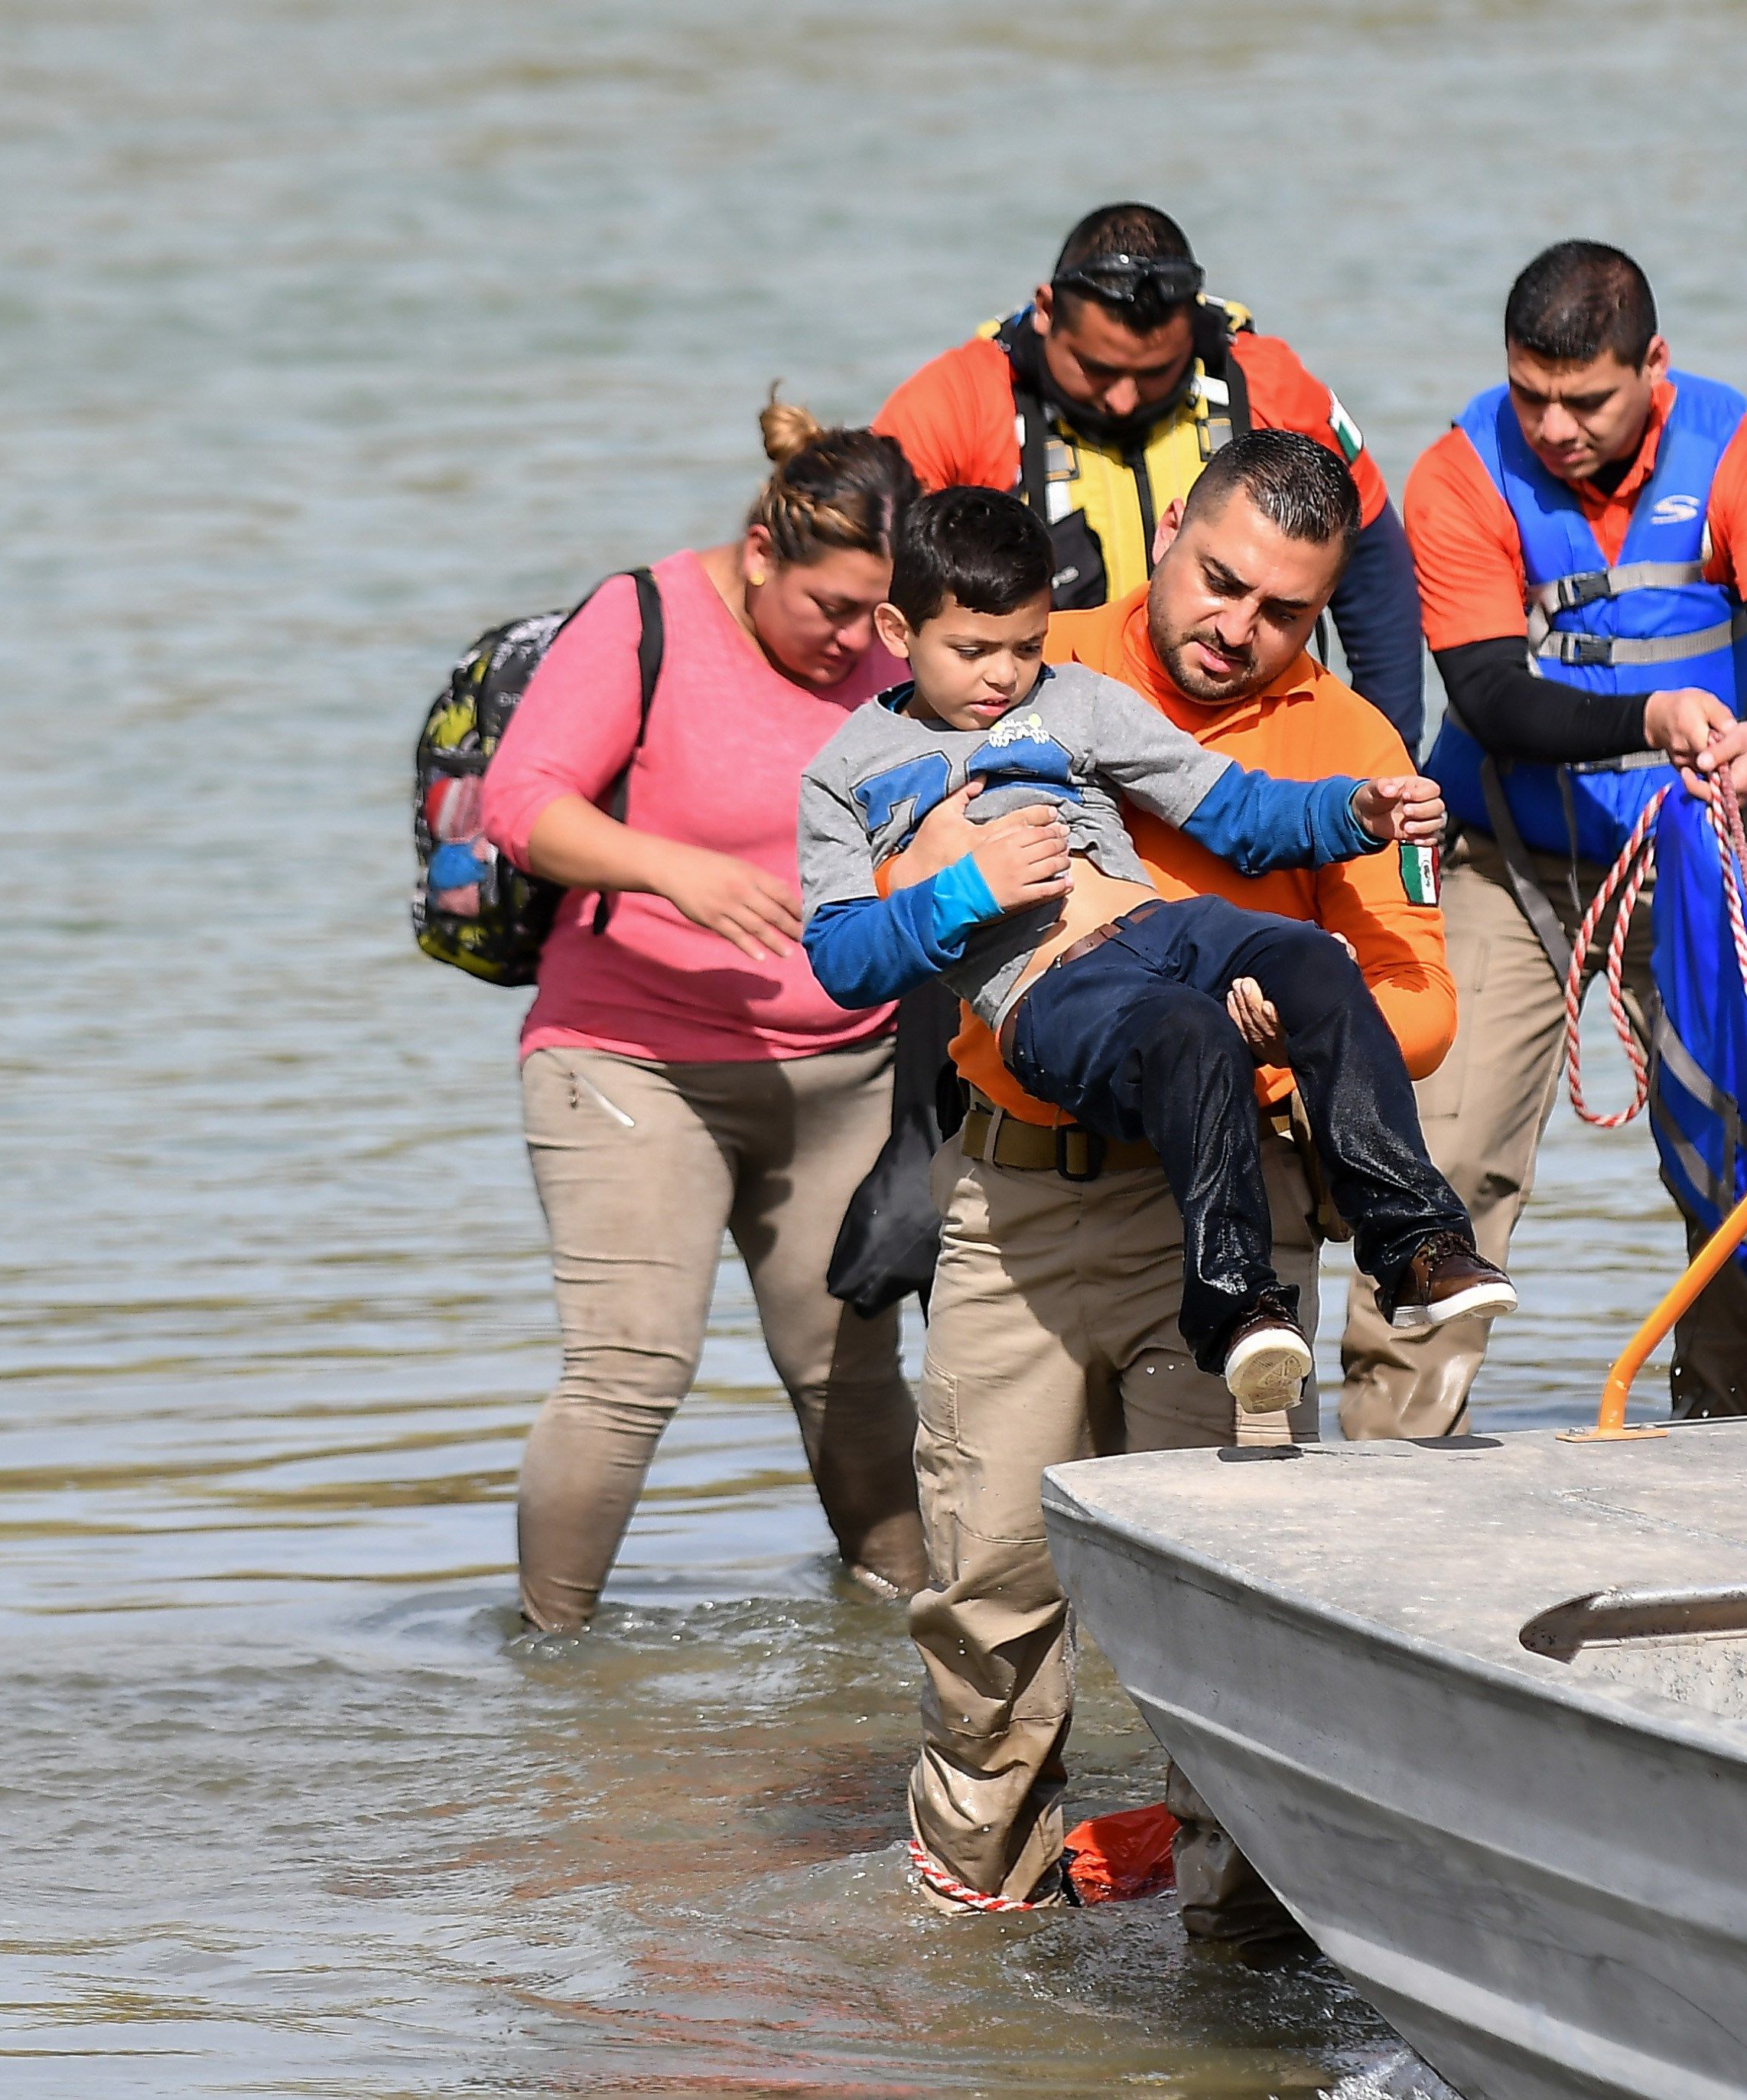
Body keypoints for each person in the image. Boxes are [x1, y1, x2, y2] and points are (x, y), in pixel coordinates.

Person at [828, 431, 1458, 1923]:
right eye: (1220, 581)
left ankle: (1247, 1950)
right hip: (1017, 1202)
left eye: (1284, 610)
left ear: (1324, 614)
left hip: (1222, 1180)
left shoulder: (1348, 734)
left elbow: (1415, 1004)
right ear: (1166, 531)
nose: (1237, 627)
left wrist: (1280, 1049)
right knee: (984, 1592)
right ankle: (979, 1923)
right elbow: (860, 931)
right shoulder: (1041, 655)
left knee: (1231, 1578)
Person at [799, 483, 1509, 1408]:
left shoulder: (1076, 696)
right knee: (1185, 1030)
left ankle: (1413, 1245)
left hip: (1159, 927)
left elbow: (1233, 807)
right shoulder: (844, 770)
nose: (1003, 677)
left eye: (1024, 648)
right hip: (1050, 994)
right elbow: (843, 960)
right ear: (897, 631)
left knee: (1312, 960)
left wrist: (1353, 811)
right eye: (972, 652)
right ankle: (1235, 1301)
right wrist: (967, 891)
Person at [1338, 242, 1747, 1438]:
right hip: (1502, 861)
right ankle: (1390, 1449)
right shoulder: (1461, 472)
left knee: (1740, 1158)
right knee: (1445, 1161)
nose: (1553, 425)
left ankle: (1740, 1426)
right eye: (1530, 394)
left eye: (1586, 398)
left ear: (1651, 367)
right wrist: (1652, 712)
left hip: (1695, 856)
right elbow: (1492, 697)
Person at [480, 396, 929, 1630]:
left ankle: (903, 1629)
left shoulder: (895, 649)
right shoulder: (647, 616)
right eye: (829, 607)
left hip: (846, 1072)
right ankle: (551, 1659)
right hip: (633, 1062)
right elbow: (520, 803)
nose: (851, 640)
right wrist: (672, 867)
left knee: (850, 1375)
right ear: (762, 549)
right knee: (630, 1369)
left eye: (877, 614)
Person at [873, 202, 1425, 751]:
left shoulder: (1272, 388)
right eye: (1097, 368)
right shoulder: (950, 407)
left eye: (1157, 372)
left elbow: (1376, 580)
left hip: (1249, 759)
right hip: (1042, 759)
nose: (1123, 400)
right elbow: (875, 613)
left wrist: (1387, 756)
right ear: (1046, 310)